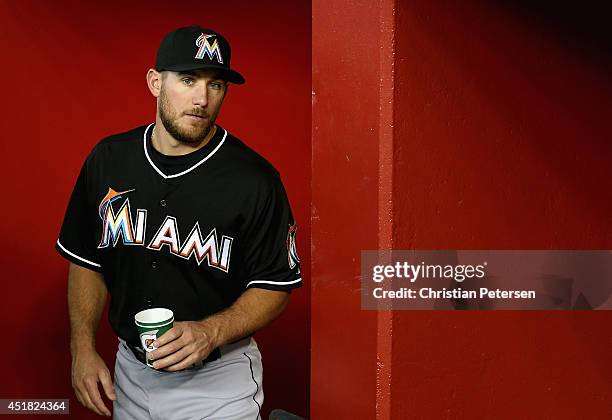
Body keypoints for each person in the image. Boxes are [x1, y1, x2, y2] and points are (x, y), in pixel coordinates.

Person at [56, 25, 302, 419]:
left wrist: (211, 331)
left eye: (216, 85)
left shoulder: (255, 180)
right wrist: (82, 348)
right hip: (130, 375)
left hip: (217, 382)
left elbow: (275, 285)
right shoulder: (109, 159)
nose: (202, 99)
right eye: (188, 79)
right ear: (155, 82)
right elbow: (87, 260)